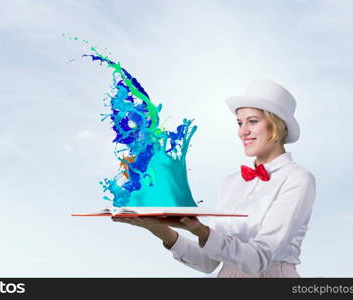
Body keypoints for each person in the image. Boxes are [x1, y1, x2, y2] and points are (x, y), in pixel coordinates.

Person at [113, 79, 316, 277]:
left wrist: (201, 231)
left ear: (277, 127)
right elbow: (209, 262)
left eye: (253, 121)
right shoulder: (231, 182)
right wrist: (159, 229)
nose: (242, 132)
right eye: (239, 123)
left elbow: (258, 258)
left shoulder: (297, 179)